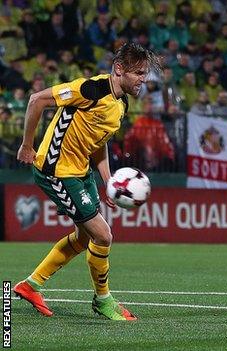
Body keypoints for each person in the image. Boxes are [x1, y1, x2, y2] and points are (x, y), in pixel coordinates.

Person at [13, 42, 160, 321]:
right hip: (55, 170)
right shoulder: (90, 89)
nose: (144, 79)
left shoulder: (120, 104)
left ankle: (30, 285)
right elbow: (36, 100)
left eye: (145, 73)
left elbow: (98, 141)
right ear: (119, 69)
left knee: (85, 237)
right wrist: (26, 146)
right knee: (103, 235)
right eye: (139, 73)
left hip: (81, 172)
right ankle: (103, 300)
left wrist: (109, 181)